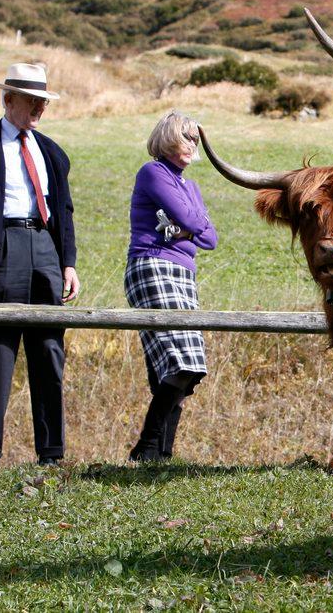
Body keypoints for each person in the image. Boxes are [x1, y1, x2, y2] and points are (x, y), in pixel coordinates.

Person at [0, 62, 80, 469]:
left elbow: (65, 212)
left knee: (49, 353)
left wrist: (69, 264)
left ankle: (52, 455)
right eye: (32, 101)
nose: (40, 108)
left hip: (44, 249)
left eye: (44, 100)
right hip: (2, 250)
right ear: (8, 99)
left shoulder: (53, 152)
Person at [125, 111, 217, 462]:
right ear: (167, 139)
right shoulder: (153, 173)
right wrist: (191, 226)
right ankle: (147, 447)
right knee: (183, 363)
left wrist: (189, 228)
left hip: (183, 274)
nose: (193, 145)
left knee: (183, 370)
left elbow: (211, 239)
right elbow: (197, 223)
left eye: (196, 139)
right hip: (152, 267)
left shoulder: (189, 186)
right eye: (186, 137)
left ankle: (161, 454)